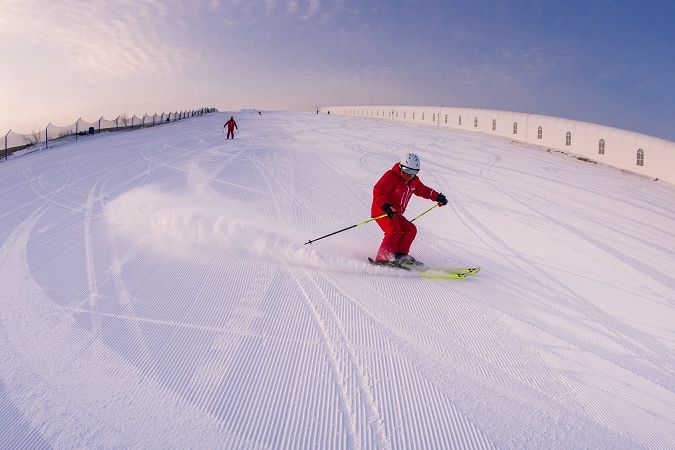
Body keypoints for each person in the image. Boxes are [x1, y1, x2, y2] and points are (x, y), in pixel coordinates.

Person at [371, 153, 448, 265]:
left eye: (412, 173)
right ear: (400, 167)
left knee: (410, 229)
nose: (408, 175)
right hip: (383, 210)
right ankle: (382, 259)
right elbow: (378, 190)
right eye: (406, 171)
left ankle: (400, 256)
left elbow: (424, 190)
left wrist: (438, 197)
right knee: (394, 231)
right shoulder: (391, 175)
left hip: (395, 213)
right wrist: (386, 206)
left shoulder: (413, 181)